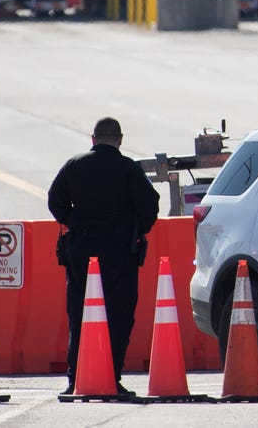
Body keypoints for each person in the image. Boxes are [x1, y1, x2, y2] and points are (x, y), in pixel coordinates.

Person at [48, 117, 160, 396]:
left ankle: (76, 380)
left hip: (80, 248)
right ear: (120, 139)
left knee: (79, 312)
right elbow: (150, 205)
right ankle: (111, 376)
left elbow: (54, 200)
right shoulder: (129, 169)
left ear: (93, 138)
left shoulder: (74, 164)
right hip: (118, 250)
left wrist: (74, 220)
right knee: (118, 313)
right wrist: (135, 227)